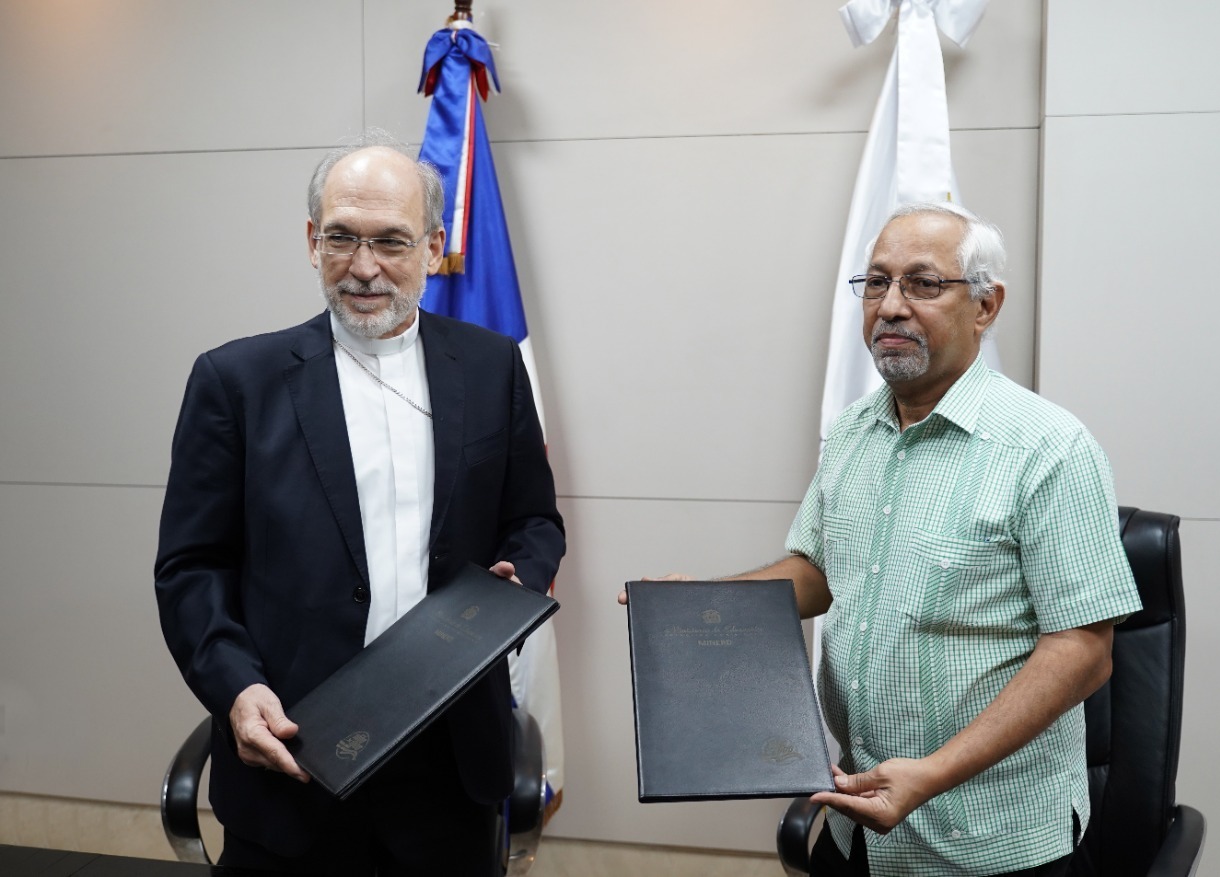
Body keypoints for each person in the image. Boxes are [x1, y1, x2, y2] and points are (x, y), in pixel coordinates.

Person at [623, 203, 1141, 876]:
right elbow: (818, 571)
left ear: (985, 306)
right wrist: (706, 604)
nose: (890, 305)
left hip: (990, 841)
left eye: (922, 284)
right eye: (876, 283)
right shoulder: (852, 432)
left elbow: (1083, 651)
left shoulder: (1050, 449)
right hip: (857, 824)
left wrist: (931, 774)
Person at [155, 130, 565, 876]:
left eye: (392, 242)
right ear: (312, 240)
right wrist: (237, 688)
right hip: (291, 762)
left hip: (450, 772)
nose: (365, 267)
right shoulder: (234, 382)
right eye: (342, 237)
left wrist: (515, 583)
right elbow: (192, 568)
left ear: (435, 247)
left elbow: (534, 519)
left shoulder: (491, 366)